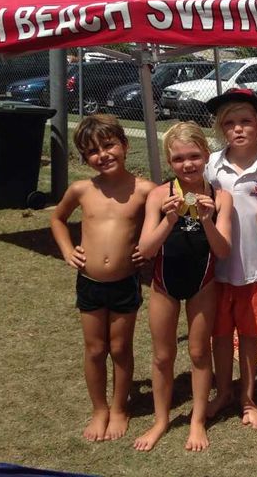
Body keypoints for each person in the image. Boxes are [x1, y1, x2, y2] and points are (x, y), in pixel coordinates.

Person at [50, 115, 155, 442]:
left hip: (126, 282)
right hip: (90, 282)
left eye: (109, 145)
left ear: (124, 145)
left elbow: (167, 224)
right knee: (95, 349)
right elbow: (57, 218)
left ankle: (120, 408)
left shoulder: (145, 190)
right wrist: (68, 250)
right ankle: (99, 409)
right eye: (92, 151)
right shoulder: (82, 189)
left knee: (121, 348)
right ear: (85, 158)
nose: (103, 155)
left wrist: (149, 249)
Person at [133, 122, 232, 452]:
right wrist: (169, 220)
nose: (187, 164)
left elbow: (222, 250)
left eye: (194, 156)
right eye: (178, 159)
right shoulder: (159, 195)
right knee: (163, 356)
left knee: (199, 353)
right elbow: (145, 249)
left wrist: (206, 219)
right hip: (164, 283)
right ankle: (161, 420)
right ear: (169, 161)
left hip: (203, 283)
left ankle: (197, 420)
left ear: (206, 155)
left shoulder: (221, 197)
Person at [203, 89, 257, 429]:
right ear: (221, 129)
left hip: (256, 268)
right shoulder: (211, 167)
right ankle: (223, 391)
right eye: (230, 123)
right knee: (219, 334)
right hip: (217, 270)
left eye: (245, 121)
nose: (239, 129)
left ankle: (248, 397)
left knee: (248, 335)